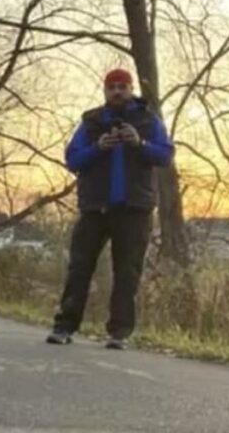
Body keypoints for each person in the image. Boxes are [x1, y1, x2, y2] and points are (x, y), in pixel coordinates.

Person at [46, 69, 174, 350]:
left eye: (122, 87)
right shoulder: (91, 122)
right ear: (105, 91)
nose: (117, 92)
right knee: (79, 267)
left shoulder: (148, 120)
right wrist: (98, 147)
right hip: (95, 208)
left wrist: (139, 143)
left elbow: (165, 154)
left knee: (127, 272)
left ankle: (119, 333)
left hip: (134, 209)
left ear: (131, 90)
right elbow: (73, 159)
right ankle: (64, 326)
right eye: (112, 87)